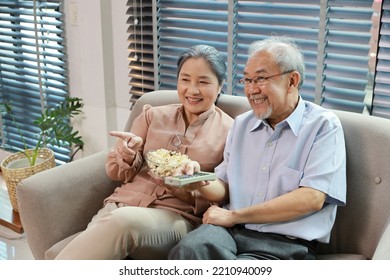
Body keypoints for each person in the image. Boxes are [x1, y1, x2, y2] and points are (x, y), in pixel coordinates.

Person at [168, 36, 347, 260]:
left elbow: (311, 198)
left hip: (284, 243)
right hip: (230, 231)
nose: (252, 90)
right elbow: (223, 185)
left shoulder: (323, 126)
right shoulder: (242, 124)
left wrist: (234, 215)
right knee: (189, 250)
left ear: (292, 80)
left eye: (260, 79)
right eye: (247, 80)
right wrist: (199, 179)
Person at [55, 45, 233, 260]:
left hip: (176, 216)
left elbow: (227, 191)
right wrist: (129, 153)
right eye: (185, 80)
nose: (192, 90)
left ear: (220, 85)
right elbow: (116, 173)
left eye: (203, 82)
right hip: (122, 203)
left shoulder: (231, 130)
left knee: (121, 222)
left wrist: (187, 188)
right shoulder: (153, 115)